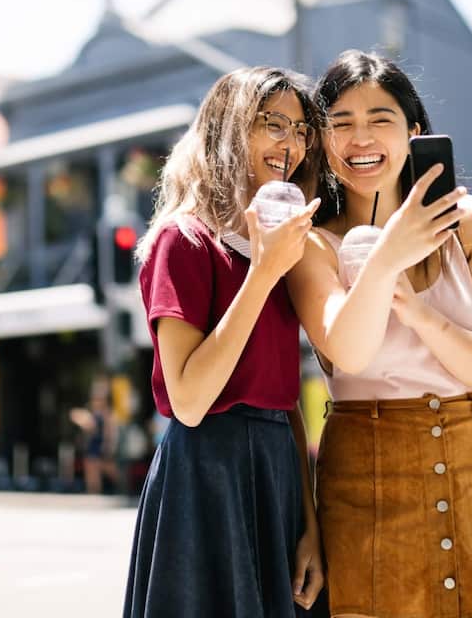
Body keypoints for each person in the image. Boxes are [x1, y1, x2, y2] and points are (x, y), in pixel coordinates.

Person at [286, 51, 472, 618]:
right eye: (340, 122)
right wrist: (389, 255)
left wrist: (421, 315)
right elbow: (349, 349)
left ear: (414, 132)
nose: (360, 136)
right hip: (365, 476)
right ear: (323, 142)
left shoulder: (471, 221)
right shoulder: (313, 243)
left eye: (380, 118)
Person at [124, 66, 327, 618]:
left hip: (277, 473)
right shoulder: (183, 241)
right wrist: (262, 275)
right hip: (206, 477)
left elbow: (285, 401)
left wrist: (310, 523)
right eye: (273, 124)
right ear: (229, 128)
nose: (291, 143)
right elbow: (188, 400)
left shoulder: (276, 249)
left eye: (302, 129)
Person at [69, 379, 121, 494]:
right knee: (91, 467)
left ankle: (120, 486)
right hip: (93, 445)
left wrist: (108, 445)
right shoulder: (92, 411)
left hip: (100, 445)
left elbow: (108, 431)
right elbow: (77, 417)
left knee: (106, 468)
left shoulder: (106, 413)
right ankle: (93, 491)